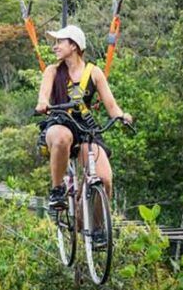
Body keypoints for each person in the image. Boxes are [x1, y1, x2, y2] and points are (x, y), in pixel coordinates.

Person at [35, 25, 133, 216]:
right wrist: (43, 104)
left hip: (85, 129)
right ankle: (57, 191)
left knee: (104, 179)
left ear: (74, 46)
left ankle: (96, 227)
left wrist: (122, 116)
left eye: (59, 42)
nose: (55, 47)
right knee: (62, 137)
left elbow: (112, 107)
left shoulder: (94, 73)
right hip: (59, 123)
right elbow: (43, 96)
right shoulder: (53, 71)